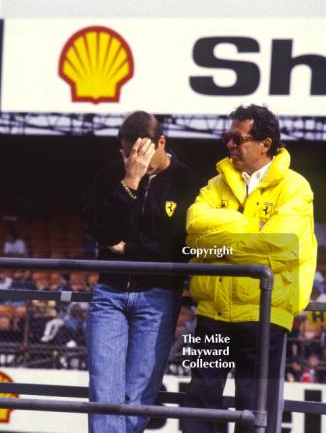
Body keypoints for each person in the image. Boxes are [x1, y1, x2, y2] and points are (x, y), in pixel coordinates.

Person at [182, 104, 317, 433]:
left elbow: (282, 248)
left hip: (265, 316)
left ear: (265, 143)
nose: (228, 144)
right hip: (213, 314)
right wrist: (249, 227)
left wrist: (220, 244)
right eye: (226, 137)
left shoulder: (295, 187)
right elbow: (194, 232)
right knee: (198, 409)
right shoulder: (216, 183)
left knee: (256, 414)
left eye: (236, 138)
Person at [87, 111, 198, 433]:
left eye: (140, 153)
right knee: (103, 390)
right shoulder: (112, 175)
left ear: (161, 143)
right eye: (126, 153)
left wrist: (130, 249)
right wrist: (130, 183)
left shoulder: (187, 181)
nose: (132, 159)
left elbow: (177, 247)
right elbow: (99, 228)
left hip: (159, 295)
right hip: (109, 292)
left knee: (140, 393)